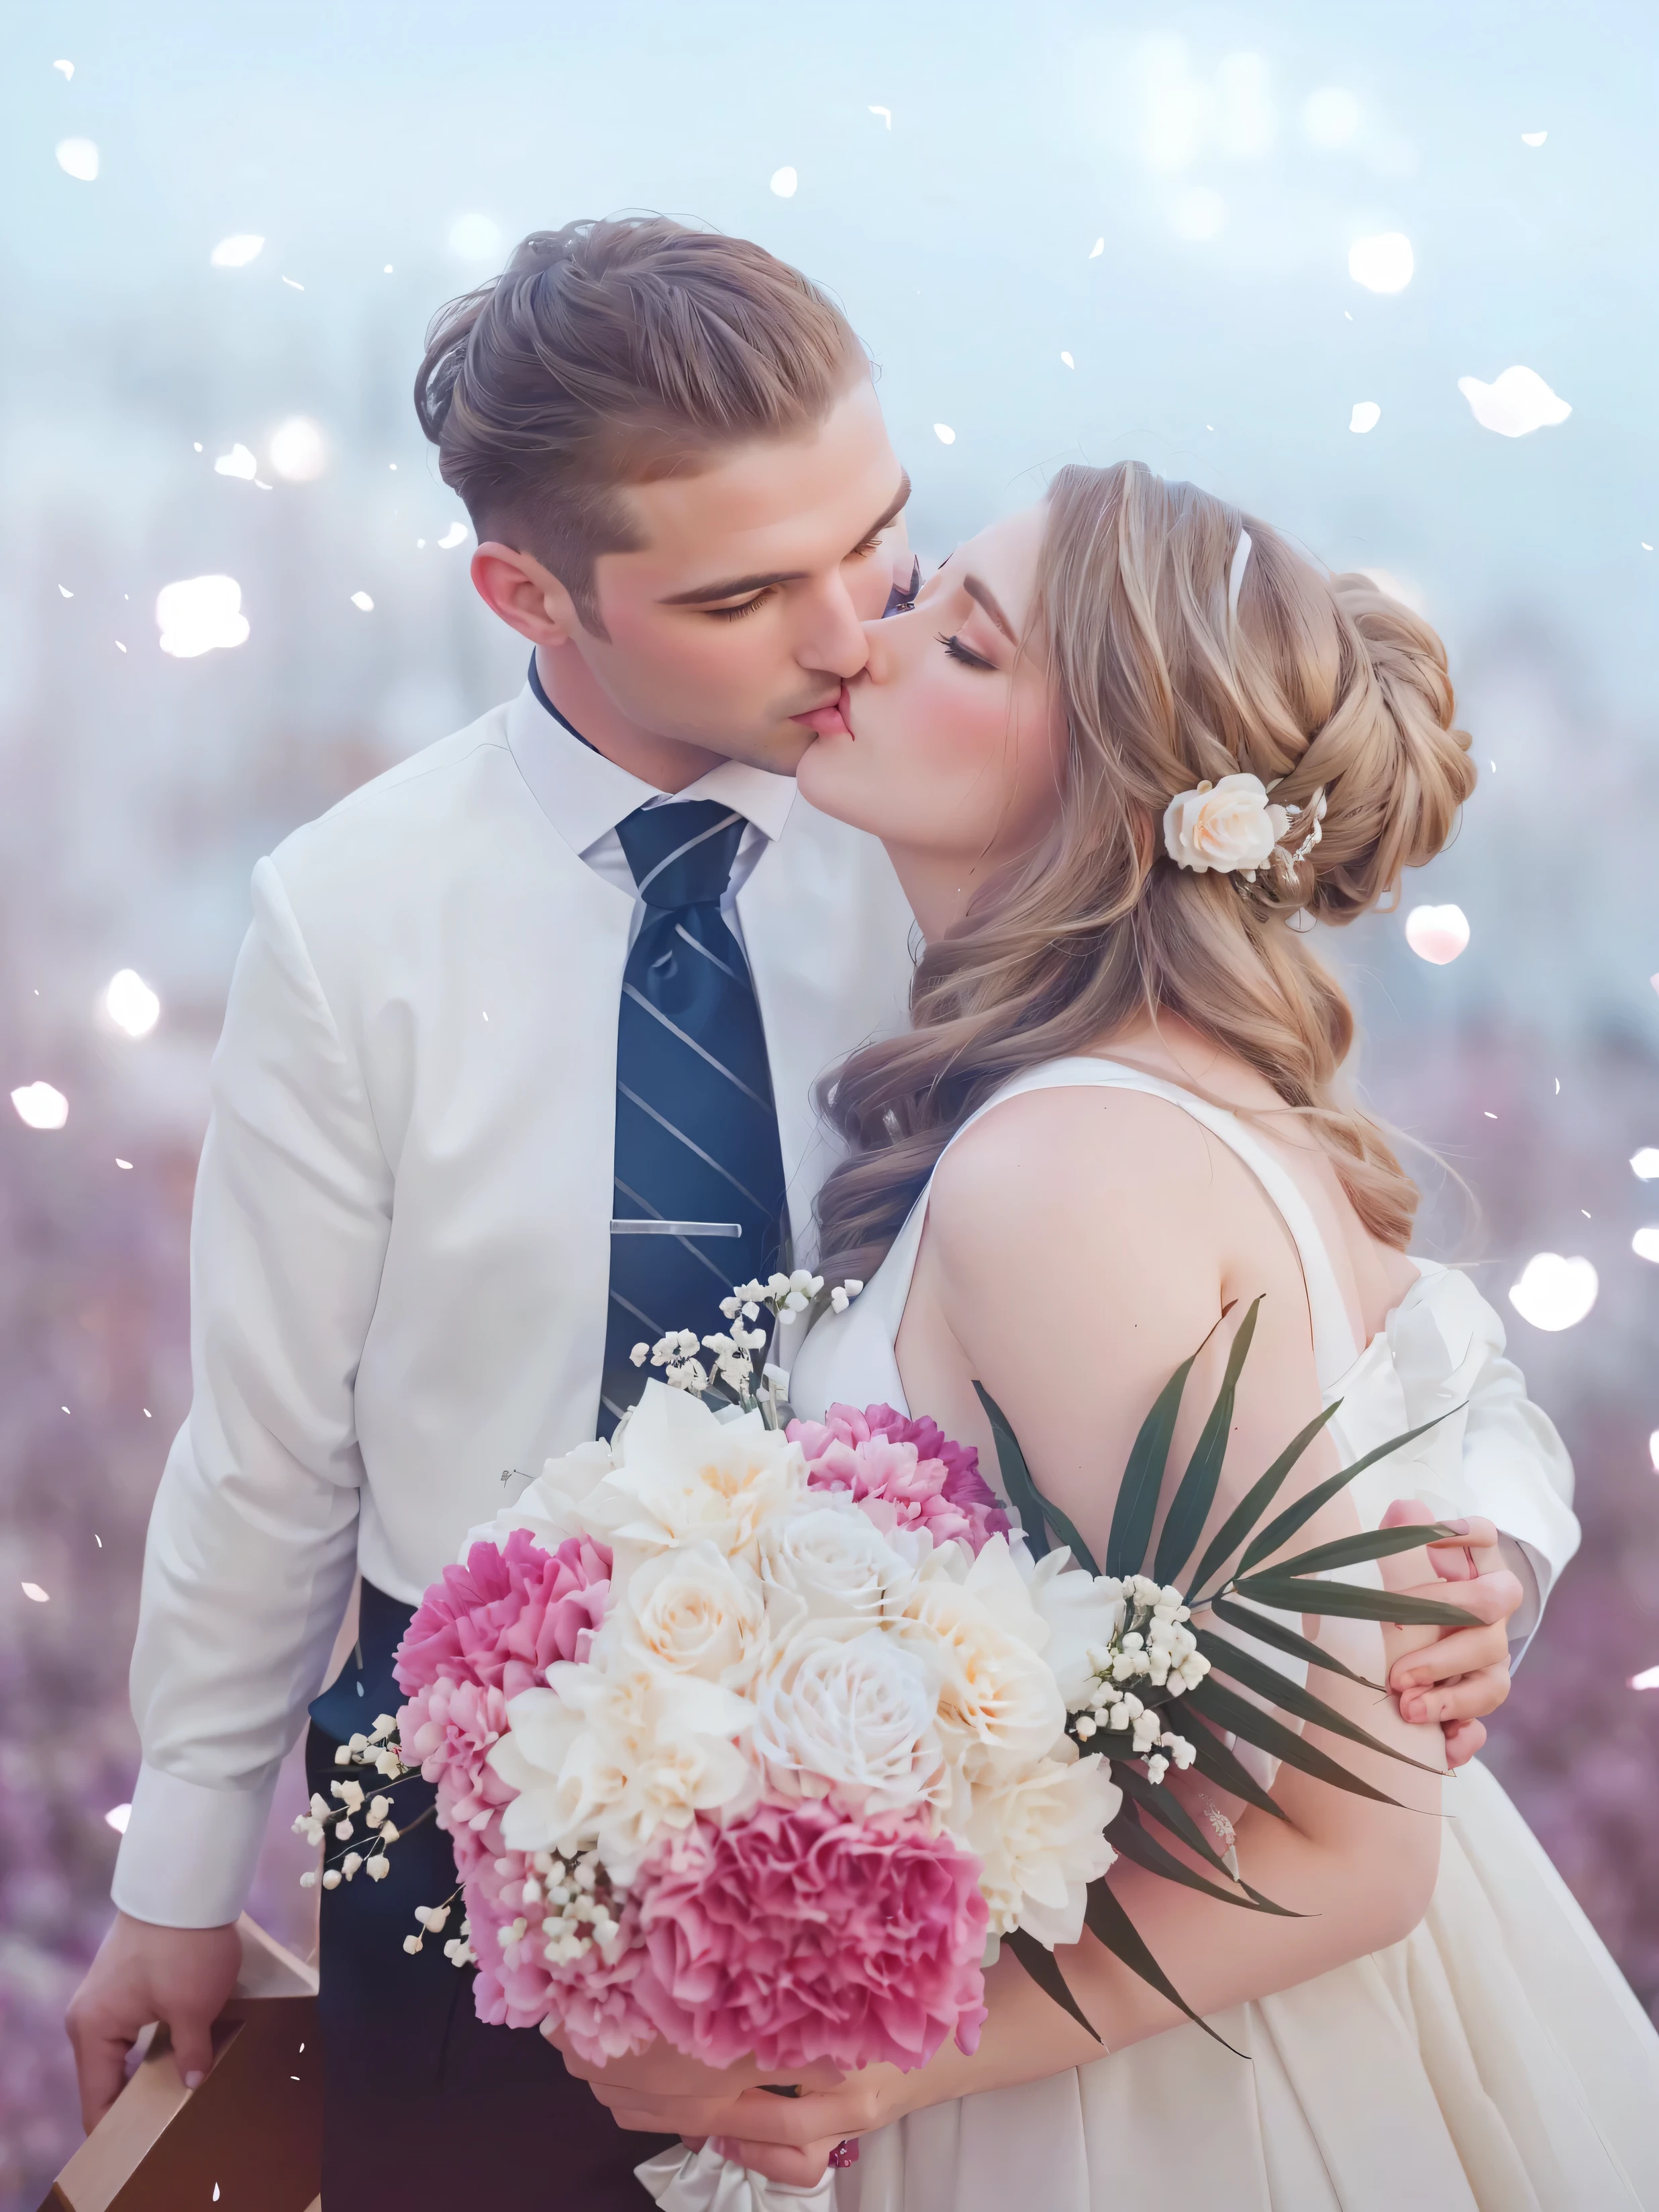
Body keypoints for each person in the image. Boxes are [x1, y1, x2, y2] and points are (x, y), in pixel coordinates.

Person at [64, 223, 1552, 2202]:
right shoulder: (353, 917)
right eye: (755, 594)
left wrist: (1471, 1549)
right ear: (533, 594)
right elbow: (271, 1452)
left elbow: (1314, 1279)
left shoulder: (979, 850)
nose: (852, 634)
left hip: (964, 1835)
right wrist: (178, 1870)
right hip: (469, 1809)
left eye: (894, 552)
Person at [561, 465, 1659, 2207]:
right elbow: (1437, 1370)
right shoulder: (1144, 1098)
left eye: (963, 645)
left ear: (1119, 800)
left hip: (1161, 2101)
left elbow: (1355, 1850)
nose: (869, 636)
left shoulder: (1063, 1167)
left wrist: (847, 2067)